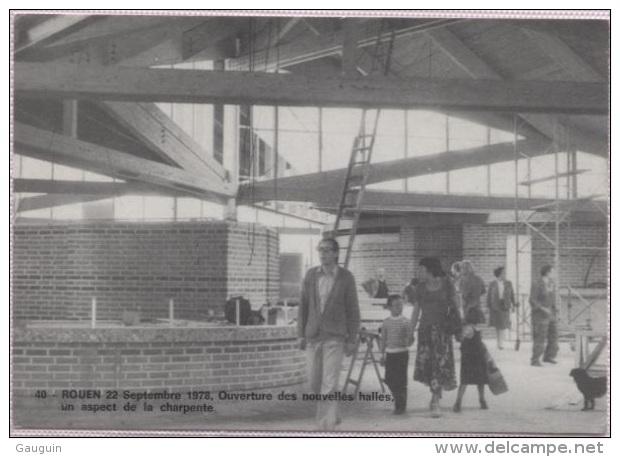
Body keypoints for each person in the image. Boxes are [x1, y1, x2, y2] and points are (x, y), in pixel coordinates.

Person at [297, 237, 361, 430]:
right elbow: (303, 306)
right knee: (315, 383)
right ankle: (333, 412)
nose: (323, 253)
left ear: (335, 254)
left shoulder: (346, 277)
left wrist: (352, 338)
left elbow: (353, 309)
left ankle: (324, 425)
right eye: (320, 250)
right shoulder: (310, 275)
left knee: (330, 382)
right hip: (313, 336)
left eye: (327, 250)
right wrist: (300, 333)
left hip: (336, 337)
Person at [409, 257, 458, 418]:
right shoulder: (420, 287)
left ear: (429, 270)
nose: (418, 272)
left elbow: (455, 306)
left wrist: (457, 325)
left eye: (421, 269)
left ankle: (435, 400)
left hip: (442, 332)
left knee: (439, 366)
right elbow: (416, 311)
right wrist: (410, 333)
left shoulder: (447, 283)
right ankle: (435, 394)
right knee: (430, 368)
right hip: (425, 332)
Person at [379, 294, 413, 415]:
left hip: (402, 354)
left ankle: (400, 406)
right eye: (396, 305)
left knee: (401, 381)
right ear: (389, 307)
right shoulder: (386, 322)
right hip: (390, 354)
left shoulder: (406, 321)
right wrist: (381, 355)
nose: (399, 307)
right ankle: (398, 399)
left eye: (401, 305)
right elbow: (383, 340)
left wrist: (410, 337)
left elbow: (410, 339)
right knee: (389, 379)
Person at [453, 307, 490, 413]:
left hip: (468, 359)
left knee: (464, 381)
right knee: (480, 381)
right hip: (479, 358)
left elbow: (460, 338)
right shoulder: (477, 329)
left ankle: (458, 402)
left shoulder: (467, 328)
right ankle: (482, 400)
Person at [529, 264, 558, 367]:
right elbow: (532, 300)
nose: (554, 274)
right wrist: (543, 309)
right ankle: (535, 360)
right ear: (547, 272)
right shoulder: (537, 283)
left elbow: (553, 298)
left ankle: (548, 356)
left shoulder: (551, 283)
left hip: (551, 315)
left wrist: (555, 310)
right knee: (539, 338)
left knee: (553, 337)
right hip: (540, 316)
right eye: (553, 272)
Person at [487, 266, 516, 350]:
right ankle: (499, 342)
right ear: (499, 274)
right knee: (497, 325)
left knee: (503, 324)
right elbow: (489, 296)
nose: (505, 274)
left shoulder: (508, 283)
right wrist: (488, 307)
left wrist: (514, 305)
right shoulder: (492, 283)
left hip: (505, 305)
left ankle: (501, 342)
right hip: (495, 305)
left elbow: (512, 295)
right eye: (503, 273)